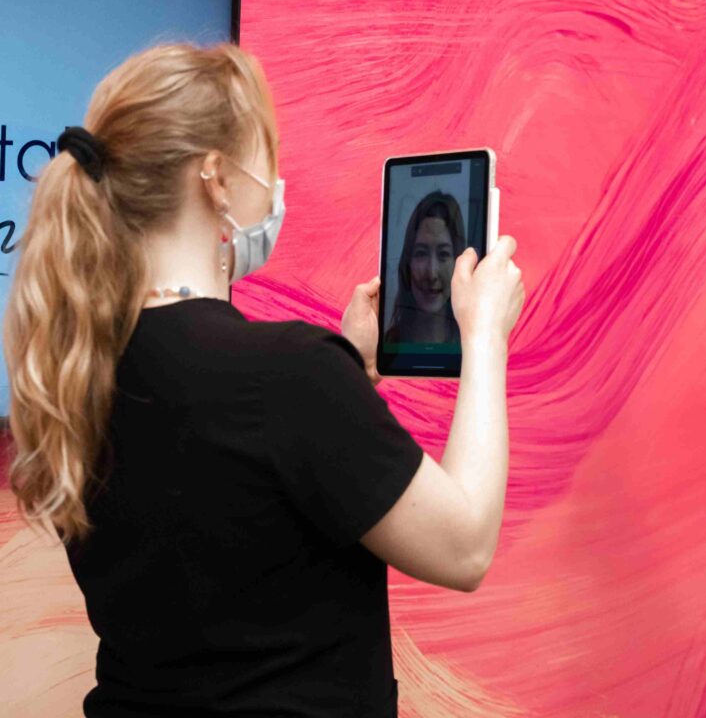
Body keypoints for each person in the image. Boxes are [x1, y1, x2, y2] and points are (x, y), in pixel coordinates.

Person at [2, 43, 524, 718]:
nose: (275, 186)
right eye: (266, 158)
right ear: (215, 179)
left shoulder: (74, 371)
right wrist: (484, 338)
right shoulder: (290, 374)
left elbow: (240, 498)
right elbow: (465, 546)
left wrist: (348, 375)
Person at [384, 191, 465, 344]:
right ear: (407, 263)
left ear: (458, 262)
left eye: (443, 254)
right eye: (421, 253)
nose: (431, 273)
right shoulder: (386, 348)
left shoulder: (474, 350)